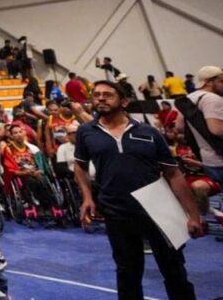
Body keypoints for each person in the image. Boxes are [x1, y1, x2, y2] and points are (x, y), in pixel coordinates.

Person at [73, 80, 202, 300]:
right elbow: (80, 165)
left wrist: (193, 215)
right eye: (97, 94)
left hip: (159, 209)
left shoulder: (149, 132)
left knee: (174, 270)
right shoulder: (86, 132)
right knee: (127, 272)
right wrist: (87, 197)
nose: (101, 98)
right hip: (116, 209)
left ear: (124, 101)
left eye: (108, 94)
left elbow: (173, 174)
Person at [174, 65, 223, 185]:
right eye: (221, 81)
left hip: (207, 159)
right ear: (209, 82)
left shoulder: (189, 98)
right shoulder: (212, 99)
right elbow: (217, 130)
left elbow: (179, 127)